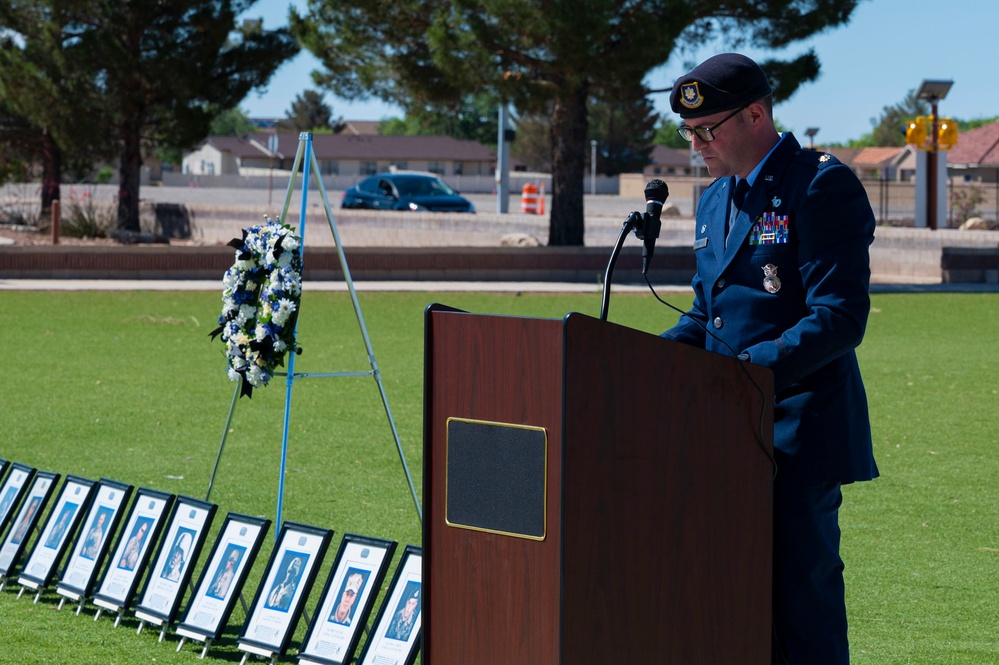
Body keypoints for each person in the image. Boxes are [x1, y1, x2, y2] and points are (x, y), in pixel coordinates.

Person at [661, 53, 878, 665]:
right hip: (724, 433)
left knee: (800, 611)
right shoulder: (713, 202)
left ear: (756, 114)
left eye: (708, 129)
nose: (697, 144)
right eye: (689, 133)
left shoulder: (819, 183)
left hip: (796, 432)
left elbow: (839, 316)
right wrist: (646, 360)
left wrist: (745, 370)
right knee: (729, 603)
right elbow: (708, 313)